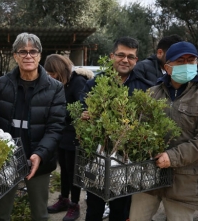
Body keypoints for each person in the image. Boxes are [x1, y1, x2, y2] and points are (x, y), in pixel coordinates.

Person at [129, 41, 198, 221]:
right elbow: (139, 128)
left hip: (184, 180)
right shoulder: (152, 93)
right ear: (168, 68)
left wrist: (172, 157)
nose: (186, 64)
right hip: (149, 175)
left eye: (191, 60)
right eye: (180, 61)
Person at [0, 33, 66, 221]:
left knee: (40, 213)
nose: (28, 55)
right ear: (15, 56)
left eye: (33, 51)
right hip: (6, 159)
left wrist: (40, 154)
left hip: (38, 158)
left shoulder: (55, 87)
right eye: (22, 51)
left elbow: (55, 127)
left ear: (40, 55)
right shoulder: (3, 84)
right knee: (1, 212)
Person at [81, 37, 154, 221]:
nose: (125, 60)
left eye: (131, 56)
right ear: (112, 56)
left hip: (127, 162)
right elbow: (80, 115)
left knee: (121, 211)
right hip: (98, 158)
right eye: (121, 55)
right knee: (94, 210)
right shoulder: (93, 85)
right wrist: (84, 116)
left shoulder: (145, 88)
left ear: (136, 60)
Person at [44, 54, 94, 221]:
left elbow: (81, 109)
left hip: (75, 135)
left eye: (52, 73)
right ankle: (64, 199)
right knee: (64, 170)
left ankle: (74, 204)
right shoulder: (61, 84)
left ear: (60, 70)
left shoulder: (78, 82)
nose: (50, 76)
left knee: (74, 172)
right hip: (62, 133)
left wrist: (58, 114)